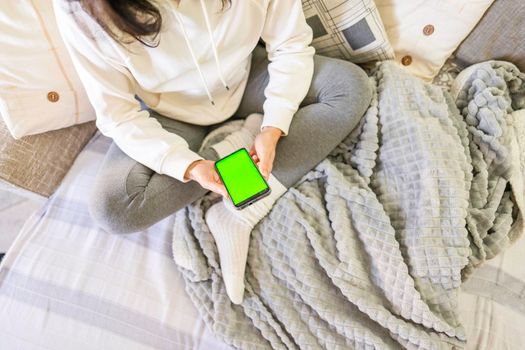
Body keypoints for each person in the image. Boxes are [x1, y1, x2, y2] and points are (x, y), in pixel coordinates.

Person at [55, 0, 372, 304]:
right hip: (168, 115)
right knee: (114, 209)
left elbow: (290, 44)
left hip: (248, 80)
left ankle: (239, 208)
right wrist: (190, 166)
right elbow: (118, 115)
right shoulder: (82, 10)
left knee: (350, 87)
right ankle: (232, 151)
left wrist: (273, 126)